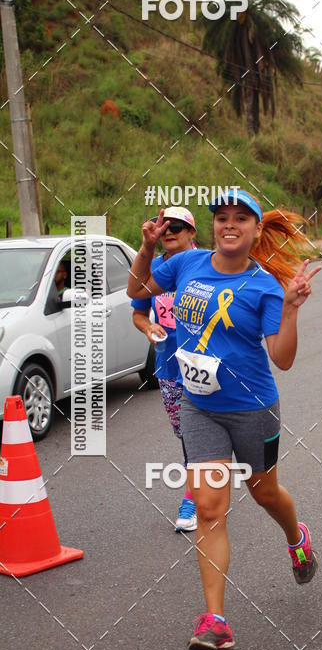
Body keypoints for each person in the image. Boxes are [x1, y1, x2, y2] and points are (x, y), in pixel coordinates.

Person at [127, 189, 320, 650]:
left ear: (256, 230)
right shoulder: (186, 264)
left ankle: (296, 537)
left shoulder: (264, 287)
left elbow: (283, 358)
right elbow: (137, 292)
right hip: (199, 407)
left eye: (240, 218)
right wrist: (148, 247)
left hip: (252, 408)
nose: (229, 224)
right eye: (221, 217)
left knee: (264, 493)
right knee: (210, 508)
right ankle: (215, 620)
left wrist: (290, 309)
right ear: (212, 226)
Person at [131, 206, 198, 532]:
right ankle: (210, 473)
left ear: (192, 232)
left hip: (203, 366)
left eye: (177, 227)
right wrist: (147, 327)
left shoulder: (207, 264)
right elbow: (138, 313)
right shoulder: (154, 268)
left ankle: (192, 499)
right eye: (165, 227)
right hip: (168, 367)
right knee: (184, 432)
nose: (169, 232)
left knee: (196, 434)